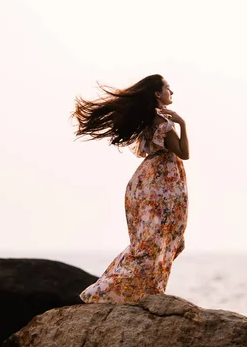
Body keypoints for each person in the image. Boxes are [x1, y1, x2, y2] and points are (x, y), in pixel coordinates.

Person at [71, 74, 189, 304]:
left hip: (147, 181)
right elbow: (184, 153)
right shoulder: (162, 122)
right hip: (161, 184)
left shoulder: (151, 118)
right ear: (157, 94)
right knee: (159, 240)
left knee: (151, 241)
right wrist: (182, 124)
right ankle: (114, 290)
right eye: (167, 88)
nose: (171, 92)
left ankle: (135, 290)